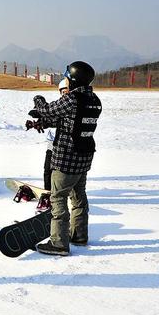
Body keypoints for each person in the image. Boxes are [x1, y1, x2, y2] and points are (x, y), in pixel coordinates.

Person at [29, 61, 102, 256]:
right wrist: (43, 121)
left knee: (58, 198)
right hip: (84, 159)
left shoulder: (72, 99)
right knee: (79, 198)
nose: (66, 79)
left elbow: (48, 110)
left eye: (68, 76)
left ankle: (59, 243)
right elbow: (69, 120)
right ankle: (79, 235)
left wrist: (38, 101)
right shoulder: (94, 99)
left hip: (66, 159)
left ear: (74, 78)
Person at [25, 78, 70, 212]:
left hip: (64, 147)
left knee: (60, 173)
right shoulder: (57, 106)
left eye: (67, 91)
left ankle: (59, 196)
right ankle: (47, 193)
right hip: (52, 143)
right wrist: (37, 122)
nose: (64, 94)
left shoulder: (70, 106)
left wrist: (40, 107)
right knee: (47, 169)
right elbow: (49, 118)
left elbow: (55, 120)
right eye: (62, 92)